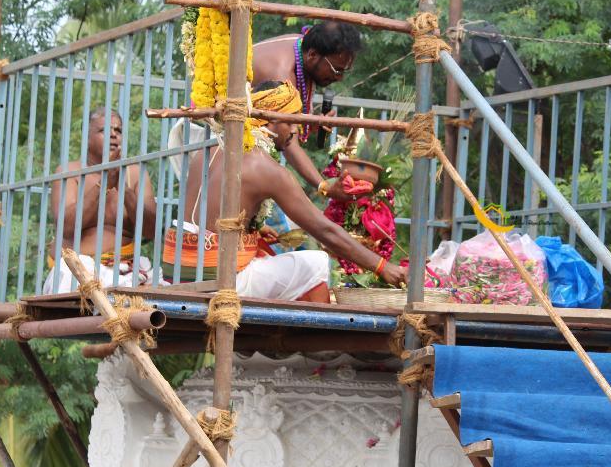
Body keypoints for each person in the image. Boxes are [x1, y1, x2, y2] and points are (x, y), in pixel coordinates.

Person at [167, 81, 406, 302]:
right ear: (270, 120)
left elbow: (209, 215)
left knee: (268, 258)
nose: (295, 131)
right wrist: (383, 267)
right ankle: (312, 344)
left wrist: (257, 230)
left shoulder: (209, 147)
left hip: (176, 272)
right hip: (218, 282)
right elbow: (324, 230)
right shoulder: (264, 167)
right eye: (291, 121)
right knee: (317, 263)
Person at [43, 108, 159, 293]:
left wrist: (124, 189)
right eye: (104, 130)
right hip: (78, 272)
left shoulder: (135, 173)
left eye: (118, 130)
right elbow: (66, 226)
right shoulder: (69, 172)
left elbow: (152, 229)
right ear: (87, 137)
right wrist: (103, 183)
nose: (114, 135)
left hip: (126, 271)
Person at [252, 21, 362, 201]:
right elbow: (289, 144)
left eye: (344, 71)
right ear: (312, 54)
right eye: (337, 70)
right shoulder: (282, 75)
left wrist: (309, 124)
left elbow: (286, 126)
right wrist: (325, 186)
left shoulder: (303, 48)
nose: (339, 78)